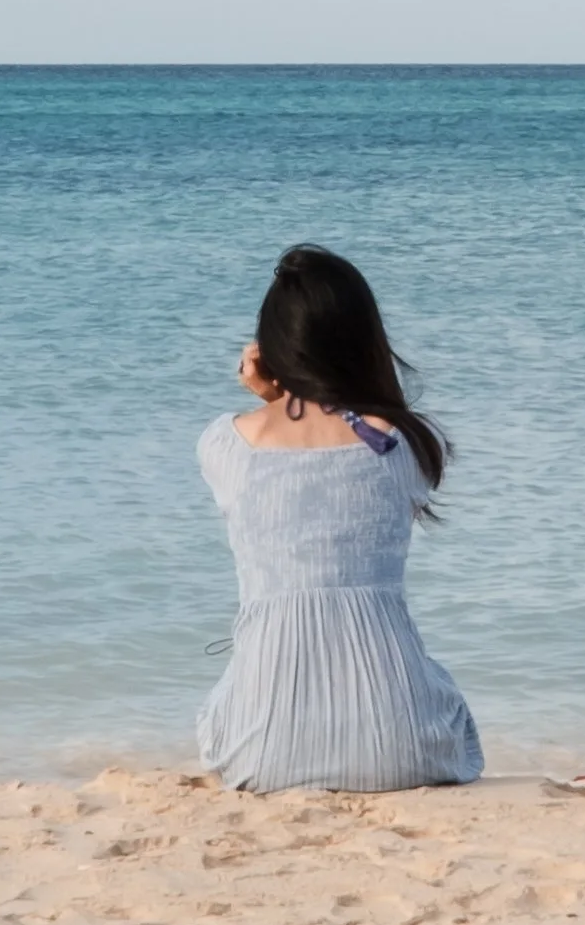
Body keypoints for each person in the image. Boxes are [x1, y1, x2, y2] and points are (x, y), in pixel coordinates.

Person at [195, 242, 482, 793]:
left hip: (265, 752)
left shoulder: (223, 444)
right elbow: (349, 429)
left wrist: (270, 396)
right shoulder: (407, 443)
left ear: (273, 346)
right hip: (404, 747)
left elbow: (278, 456)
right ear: (365, 340)